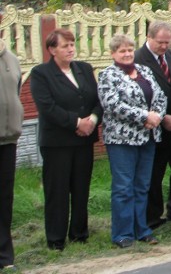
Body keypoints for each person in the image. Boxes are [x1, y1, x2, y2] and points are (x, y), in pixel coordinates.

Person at [30, 28, 102, 251]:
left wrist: (92, 118)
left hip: (84, 140)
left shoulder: (84, 68)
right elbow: (47, 107)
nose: (71, 49)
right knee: (57, 190)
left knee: (81, 188)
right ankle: (56, 239)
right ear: (52, 50)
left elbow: (97, 100)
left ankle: (79, 233)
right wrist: (76, 122)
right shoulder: (41, 73)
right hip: (57, 142)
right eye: (65, 46)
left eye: (72, 45)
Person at [98, 34, 167, 248]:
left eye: (129, 50)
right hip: (122, 140)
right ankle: (122, 233)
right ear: (113, 54)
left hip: (148, 136)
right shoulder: (107, 75)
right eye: (122, 51)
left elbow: (161, 97)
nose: (127, 54)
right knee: (123, 187)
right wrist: (144, 116)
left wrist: (156, 116)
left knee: (142, 185)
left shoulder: (145, 71)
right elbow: (112, 105)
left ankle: (142, 229)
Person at [134, 21, 171, 229]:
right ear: (149, 37)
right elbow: (139, 94)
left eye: (168, 42)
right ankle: (153, 217)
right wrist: (162, 116)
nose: (164, 46)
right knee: (154, 173)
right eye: (160, 42)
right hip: (155, 127)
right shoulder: (138, 59)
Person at [0, 38, 23, 270]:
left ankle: (5, 257)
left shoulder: (12, 59)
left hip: (8, 139)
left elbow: (16, 92)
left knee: (5, 199)